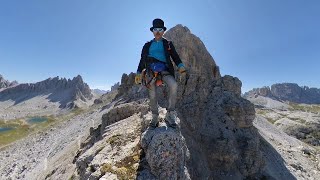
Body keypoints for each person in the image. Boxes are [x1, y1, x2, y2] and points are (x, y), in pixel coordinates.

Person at [135, 18, 186, 128]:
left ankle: (170, 114)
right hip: (150, 71)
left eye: (160, 29)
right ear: (152, 31)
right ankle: (155, 116)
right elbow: (142, 60)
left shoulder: (168, 44)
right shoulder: (147, 45)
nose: (158, 32)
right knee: (152, 94)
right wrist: (139, 73)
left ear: (163, 31)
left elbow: (175, 56)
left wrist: (181, 66)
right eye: (155, 29)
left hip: (164, 70)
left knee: (173, 85)